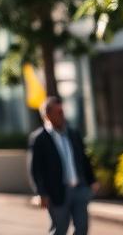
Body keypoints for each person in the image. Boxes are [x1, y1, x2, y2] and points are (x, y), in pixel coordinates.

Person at [28, 96, 98, 235]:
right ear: (47, 115)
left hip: (79, 189)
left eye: (62, 112)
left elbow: (83, 159)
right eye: (58, 112)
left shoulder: (73, 133)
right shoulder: (39, 138)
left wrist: (92, 180)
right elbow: (35, 169)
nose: (62, 116)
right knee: (59, 229)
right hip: (57, 192)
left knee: (82, 228)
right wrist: (41, 193)